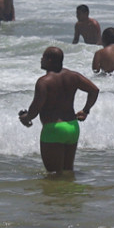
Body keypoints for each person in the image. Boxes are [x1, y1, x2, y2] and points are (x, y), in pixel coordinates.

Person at [17, 47, 99, 175]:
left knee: (53, 175)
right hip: (72, 127)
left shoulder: (44, 82)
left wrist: (26, 118)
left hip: (53, 129)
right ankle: (69, 195)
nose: (41, 60)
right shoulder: (74, 76)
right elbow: (94, 90)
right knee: (68, 172)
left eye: (43, 57)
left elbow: (35, 108)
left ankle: (58, 195)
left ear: (49, 60)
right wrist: (85, 110)